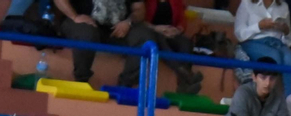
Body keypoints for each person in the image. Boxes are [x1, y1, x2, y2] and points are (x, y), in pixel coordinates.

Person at [53, 0, 203, 93]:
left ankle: (125, 86)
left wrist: (128, 22)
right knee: (87, 33)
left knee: (145, 36)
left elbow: (139, 9)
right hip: (82, 24)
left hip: (117, 29)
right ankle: (81, 82)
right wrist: (74, 16)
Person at [235, 0, 291, 96]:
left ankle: (288, 100)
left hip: (278, 43)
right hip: (253, 42)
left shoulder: (283, 6)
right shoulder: (247, 3)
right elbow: (239, 33)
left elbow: (289, 41)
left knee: (290, 60)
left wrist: (286, 31)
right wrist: (259, 26)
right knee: (274, 57)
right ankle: (271, 100)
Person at [221, 63, 290, 116]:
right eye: (263, 78)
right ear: (254, 77)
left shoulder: (279, 97)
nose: (267, 83)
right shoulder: (242, 92)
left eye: (272, 78)